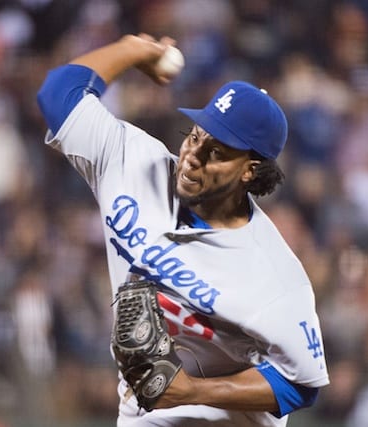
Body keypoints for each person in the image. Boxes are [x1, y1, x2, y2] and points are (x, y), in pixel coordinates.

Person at [36, 33, 329, 427]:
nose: (192, 157)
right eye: (195, 136)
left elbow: (301, 386)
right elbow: (58, 94)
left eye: (216, 153)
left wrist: (192, 391)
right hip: (143, 415)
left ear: (250, 171)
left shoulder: (275, 276)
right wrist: (135, 51)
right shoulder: (134, 164)